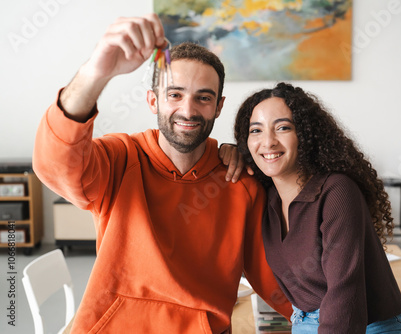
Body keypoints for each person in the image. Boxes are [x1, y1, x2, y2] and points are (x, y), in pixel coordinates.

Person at [33, 14, 291, 333]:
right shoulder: (120, 158)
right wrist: (96, 73)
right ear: (153, 99)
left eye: (203, 97)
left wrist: (332, 319)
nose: (188, 109)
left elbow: (274, 281)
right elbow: (55, 163)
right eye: (175, 94)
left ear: (219, 106)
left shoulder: (239, 179)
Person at [234, 82, 401, 333]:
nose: (268, 142)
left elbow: (344, 294)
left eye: (283, 127)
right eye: (256, 131)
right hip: (302, 321)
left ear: (305, 134)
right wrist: (228, 153)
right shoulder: (267, 197)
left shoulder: (337, 191)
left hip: (365, 325)